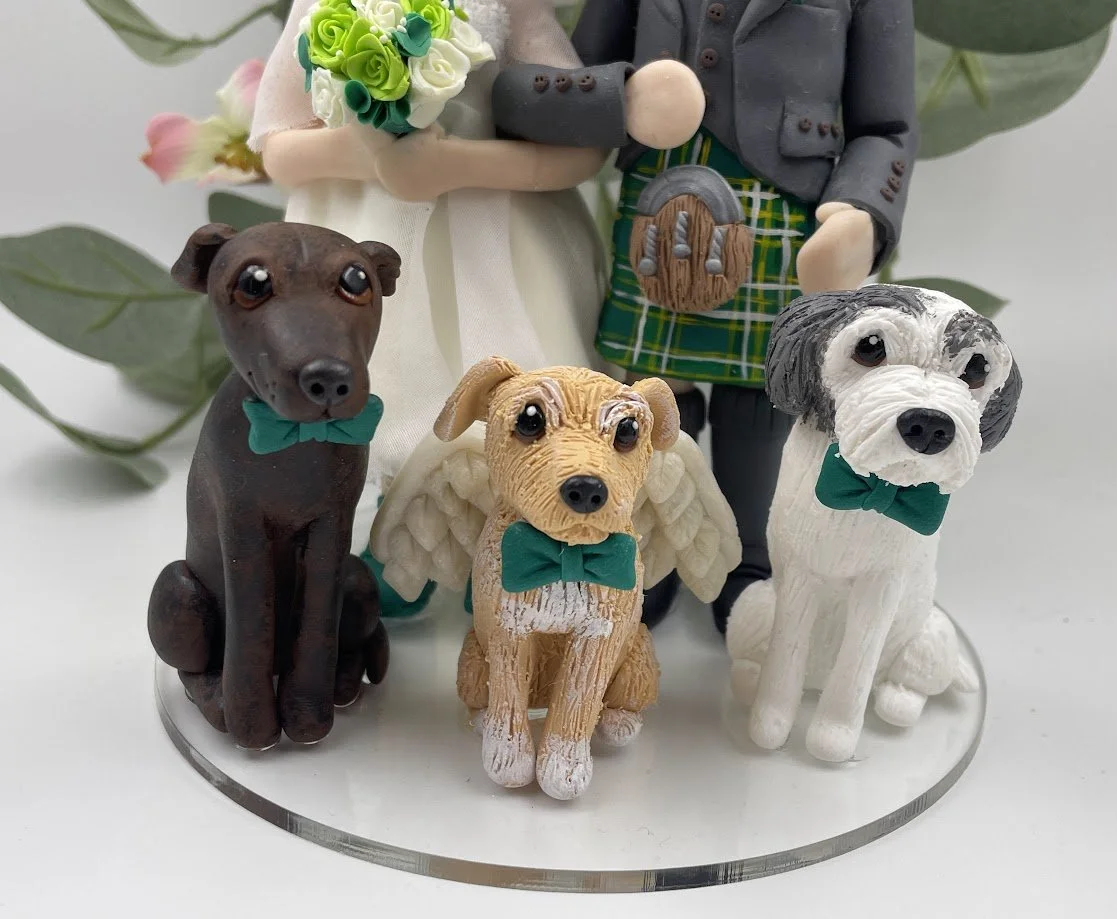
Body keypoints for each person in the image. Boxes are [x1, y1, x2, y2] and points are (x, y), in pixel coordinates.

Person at [490, 0, 918, 631]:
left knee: (763, 395)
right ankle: (644, 550)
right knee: (653, 398)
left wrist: (861, 212)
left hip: (784, 221)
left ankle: (749, 565)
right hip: (658, 213)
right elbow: (552, 79)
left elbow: (887, 126)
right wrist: (620, 98)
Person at [248, 0, 612, 616]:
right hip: (360, 242)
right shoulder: (323, 8)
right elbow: (278, 145)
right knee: (381, 374)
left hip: (492, 235)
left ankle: (510, 531)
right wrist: (368, 156)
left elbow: (584, 147)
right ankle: (395, 544)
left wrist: (457, 164)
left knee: (506, 372)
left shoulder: (508, 8)